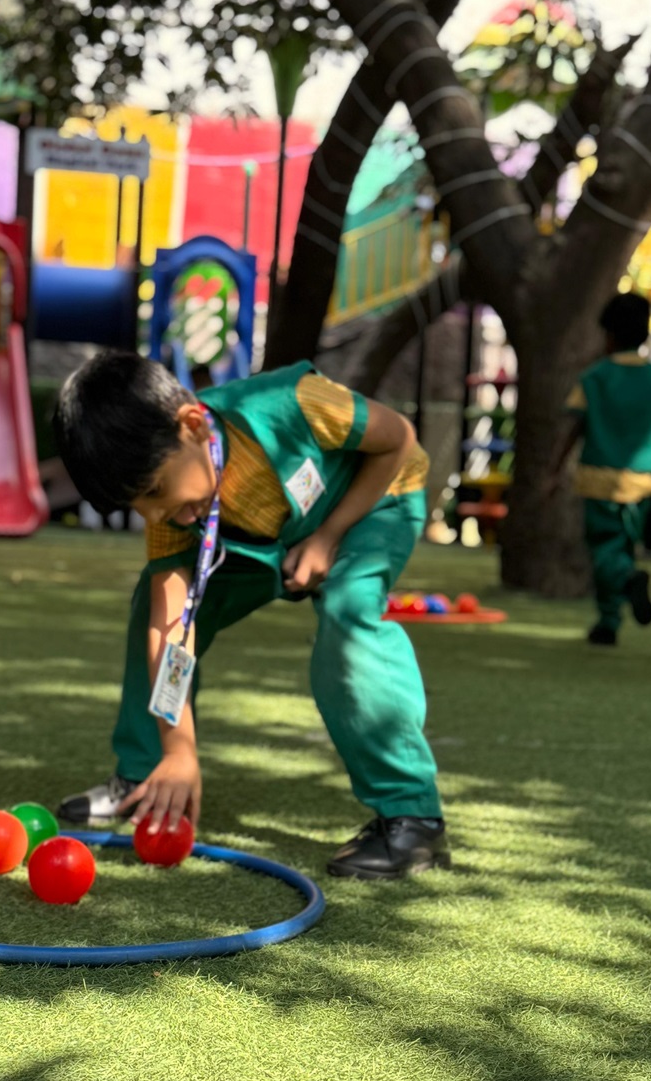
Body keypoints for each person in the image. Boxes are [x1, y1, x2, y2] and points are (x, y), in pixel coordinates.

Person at [51, 350, 450, 880]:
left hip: (375, 501)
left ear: (193, 426)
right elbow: (172, 634)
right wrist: (178, 749)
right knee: (153, 605)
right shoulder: (175, 510)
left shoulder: (292, 405)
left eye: (155, 490)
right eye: (138, 506)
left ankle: (414, 819)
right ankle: (148, 779)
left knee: (348, 615)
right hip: (260, 538)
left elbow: (397, 438)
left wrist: (328, 537)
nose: (155, 514)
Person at [557, 292, 651, 647]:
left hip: (599, 477)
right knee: (623, 546)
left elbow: (574, 427)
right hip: (645, 479)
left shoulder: (594, 378)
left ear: (610, 335)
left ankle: (625, 585)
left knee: (604, 549)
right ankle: (609, 621)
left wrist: (555, 466)